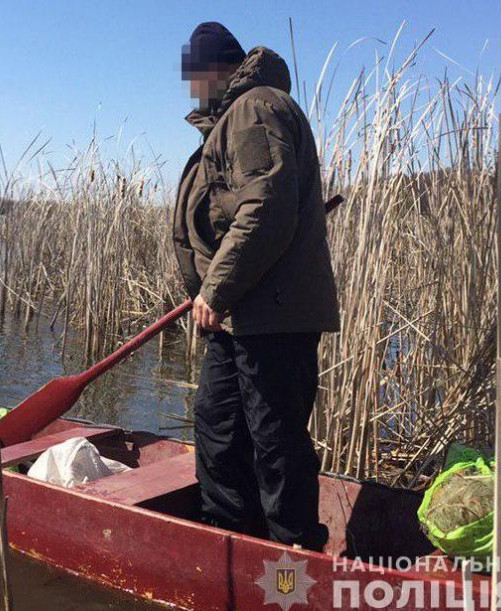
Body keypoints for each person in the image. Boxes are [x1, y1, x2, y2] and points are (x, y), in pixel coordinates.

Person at [173, 22, 340, 551]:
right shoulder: (231, 118)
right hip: (239, 314)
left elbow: (265, 208)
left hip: (270, 314)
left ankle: (292, 559)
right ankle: (231, 543)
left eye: (195, 74)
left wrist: (215, 290)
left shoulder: (253, 109)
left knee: (273, 441)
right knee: (219, 427)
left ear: (216, 69)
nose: (191, 87)